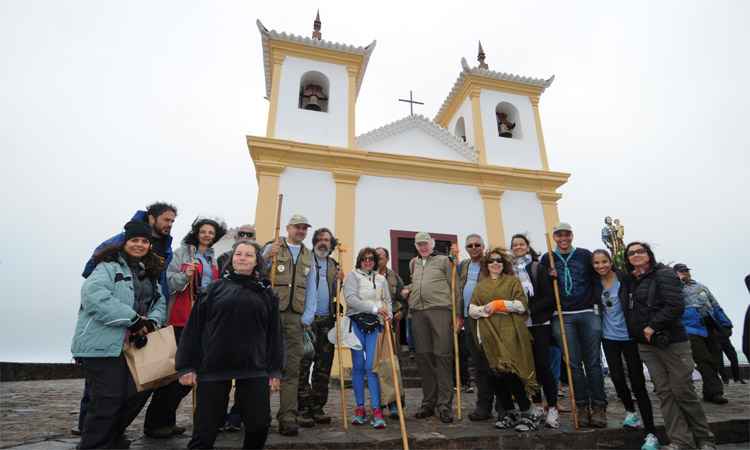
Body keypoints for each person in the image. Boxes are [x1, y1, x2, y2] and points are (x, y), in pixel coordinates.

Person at [74, 202, 177, 437]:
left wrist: (151, 322)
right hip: (104, 344)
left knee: (135, 394)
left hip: (135, 341)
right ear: (125, 242)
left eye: (144, 241)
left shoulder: (149, 270)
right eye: (135, 241)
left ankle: (112, 436)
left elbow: (160, 300)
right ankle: (93, 442)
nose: (139, 245)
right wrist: (133, 320)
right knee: (107, 399)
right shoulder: (107, 266)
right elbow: (95, 297)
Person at [176, 241, 283, 449]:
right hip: (214, 366)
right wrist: (186, 366)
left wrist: (276, 370)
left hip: (254, 367)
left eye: (249, 255)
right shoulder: (213, 290)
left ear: (256, 262)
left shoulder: (267, 294)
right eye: (239, 254)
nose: (242, 258)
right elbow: (193, 330)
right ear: (232, 259)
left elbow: (275, 335)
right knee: (205, 430)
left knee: (259, 425)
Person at [624, 242, 716, 450]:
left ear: (649, 254)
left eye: (640, 251)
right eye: (631, 253)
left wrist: (652, 326)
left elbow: (675, 305)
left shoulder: (664, 274)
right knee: (665, 393)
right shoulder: (632, 280)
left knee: (683, 391)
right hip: (647, 345)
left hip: (671, 342)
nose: (636, 255)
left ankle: (705, 439)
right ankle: (681, 442)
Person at [143, 216, 227, 438]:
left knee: (191, 373)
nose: (207, 235)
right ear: (196, 232)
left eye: (211, 232)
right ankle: (155, 423)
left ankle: (166, 419)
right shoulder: (182, 253)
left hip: (205, 320)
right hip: (182, 319)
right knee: (174, 374)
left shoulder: (212, 258)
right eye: (204, 231)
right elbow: (168, 282)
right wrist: (185, 276)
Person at [539, 222, 607, 428]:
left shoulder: (585, 255)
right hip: (563, 314)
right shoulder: (547, 258)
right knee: (573, 363)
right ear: (554, 237)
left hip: (587, 312)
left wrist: (596, 304)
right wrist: (548, 276)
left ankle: (598, 407)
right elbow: (542, 285)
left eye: (566, 235)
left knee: (593, 362)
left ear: (572, 235)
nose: (563, 239)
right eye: (559, 235)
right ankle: (581, 406)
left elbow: (597, 279)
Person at [592, 249, 659, 450]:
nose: (601, 266)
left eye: (604, 261)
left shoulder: (625, 278)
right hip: (608, 337)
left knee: (638, 382)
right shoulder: (594, 283)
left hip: (630, 336)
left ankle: (651, 433)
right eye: (596, 263)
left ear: (611, 261)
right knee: (617, 377)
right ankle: (630, 412)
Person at [468, 247, 540, 432]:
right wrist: (486, 309)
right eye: (491, 261)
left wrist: (498, 304)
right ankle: (509, 412)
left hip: (511, 334)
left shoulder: (512, 282)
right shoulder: (481, 285)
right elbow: (472, 310)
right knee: (495, 375)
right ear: (486, 265)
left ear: (504, 264)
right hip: (488, 334)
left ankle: (527, 412)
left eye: (499, 260)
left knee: (512, 373)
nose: (495, 264)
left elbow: (521, 305)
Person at [263, 214, 316, 436]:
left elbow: (311, 287)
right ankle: (260, 415)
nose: (301, 231)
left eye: (304, 228)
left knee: (292, 369)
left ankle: (287, 416)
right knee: (265, 366)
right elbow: (258, 272)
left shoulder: (308, 255)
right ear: (288, 228)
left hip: (295, 318)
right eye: (297, 227)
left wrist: (308, 316)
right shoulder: (273, 247)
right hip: (271, 315)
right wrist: (266, 257)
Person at [400, 232, 458, 423]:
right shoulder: (413, 263)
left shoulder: (443, 261)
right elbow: (419, 283)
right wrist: (408, 288)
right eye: (419, 244)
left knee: (442, 356)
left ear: (432, 244)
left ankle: (444, 406)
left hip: (440, 310)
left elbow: (454, 286)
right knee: (423, 358)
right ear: (415, 246)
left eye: (425, 243)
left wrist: (457, 314)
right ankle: (428, 403)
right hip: (417, 313)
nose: (423, 247)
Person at [510, 234, 560, 429]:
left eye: (521, 244)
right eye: (515, 245)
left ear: (528, 246)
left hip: (539, 323)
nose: (518, 247)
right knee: (529, 367)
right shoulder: (510, 271)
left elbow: (549, 297)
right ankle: (538, 405)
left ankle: (553, 406)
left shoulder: (537, 268)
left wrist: (530, 310)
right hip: (520, 326)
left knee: (542, 365)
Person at [343, 247, 392, 428]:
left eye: (371, 258)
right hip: (356, 323)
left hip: (376, 325)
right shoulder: (352, 277)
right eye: (364, 259)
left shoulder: (381, 279)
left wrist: (389, 314)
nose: (368, 261)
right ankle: (360, 408)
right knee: (358, 366)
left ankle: (376, 409)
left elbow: (387, 300)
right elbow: (351, 299)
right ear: (359, 260)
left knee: (372, 366)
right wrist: (374, 308)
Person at [215, 224, 257, 432]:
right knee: (222, 378)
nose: (246, 238)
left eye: (250, 235)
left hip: (248, 329)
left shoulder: (257, 260)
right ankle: (218, 416)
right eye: (242, 235)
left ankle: (237, 416)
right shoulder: (224, 258)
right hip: (225, 327)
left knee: (244, 379)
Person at [298, 228, 341, 425]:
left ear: (331, 244)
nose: (323, 242)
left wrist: (340, 280)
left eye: (327, 240)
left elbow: (335, 292)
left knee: (324, 365)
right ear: (314, 241)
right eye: (320, 239)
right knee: (303, 364)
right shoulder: (305, 259)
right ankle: (302, 408)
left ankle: (317, 407)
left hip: (326, 320)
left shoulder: (334, 265)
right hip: (307, 321)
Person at [674, 263, 731, 402]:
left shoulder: (701, 287)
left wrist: (725, 322)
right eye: (681, 271)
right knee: (704, 359)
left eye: (686, 271)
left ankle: (709, 392)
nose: (685, 273)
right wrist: (678, 283)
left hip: (708, 326)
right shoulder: (674, 288)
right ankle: (716, 393)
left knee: (715, 358)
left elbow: (715, 305)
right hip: (689, 329)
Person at [457, 234, 499, 421]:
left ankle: (503, 406)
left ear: (483, 246)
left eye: (477, 245)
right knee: (479, 364)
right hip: (469, 319)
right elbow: (458, 289)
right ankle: (484, 406)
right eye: (470, 245)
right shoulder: (463, 265)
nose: (473, 248)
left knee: (495, 362)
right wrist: (459, 315)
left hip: (488, 317)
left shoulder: (491, 262)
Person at [375, 246, 407, 419]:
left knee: (393, 365)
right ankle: (379, 404)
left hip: (390, 328)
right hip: (373, 327)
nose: (378, 259)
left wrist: (401, 311)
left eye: (381, 256)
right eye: (376, 256)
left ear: (387, 259)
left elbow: (403, 299)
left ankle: (396, 403)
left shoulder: (394, 277)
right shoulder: (367, 275)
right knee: (377, 367)